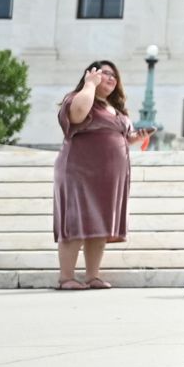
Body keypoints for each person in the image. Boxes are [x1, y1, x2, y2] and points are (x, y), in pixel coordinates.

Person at [53, 61, 149, 290]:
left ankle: (92, 275)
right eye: (105, 73)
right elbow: (76, 115)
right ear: (91, 75)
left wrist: (135, 139)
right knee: (74, 220)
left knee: (99, 224)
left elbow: (119, 137)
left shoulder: (115, 108)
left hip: (109, 177)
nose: (111, 78)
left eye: (114, 75)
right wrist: (89, 85)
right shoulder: (79, 97)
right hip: (80, 170)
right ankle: (66, 277)